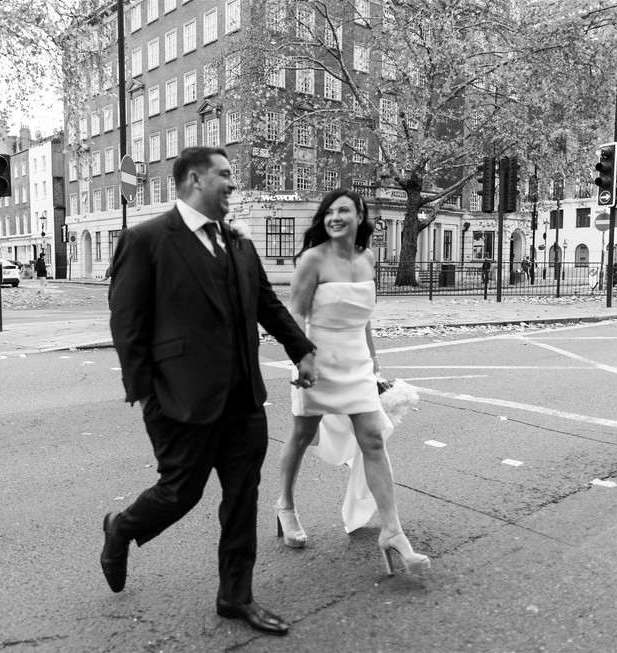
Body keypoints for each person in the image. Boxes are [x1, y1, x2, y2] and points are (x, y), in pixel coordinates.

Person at [104, 147, 317, 635]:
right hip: (181, 399)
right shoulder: (147, 239)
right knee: (180, 493)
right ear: (194, 180)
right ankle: (120, 528)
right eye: (224, 175)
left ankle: (235, 597)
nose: (232, 184)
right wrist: (145, 393)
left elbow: (267, 304)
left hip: (244, 399)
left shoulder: (239, 244)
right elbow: (127, 322)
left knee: (243, 498)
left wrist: (301, 350)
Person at [277, 188, 431, 577]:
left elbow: (363, 319)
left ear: (360, 216)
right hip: (317, 362)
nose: (334, 216)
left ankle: (392, 532)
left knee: (374, 441)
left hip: (357, 365)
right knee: (300, 436)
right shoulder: (312, 260)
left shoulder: (367, 259)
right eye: (329, 211)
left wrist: (375, 364)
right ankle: (286, 505)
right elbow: (294, 319)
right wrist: (302, 360)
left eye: (343, 210)